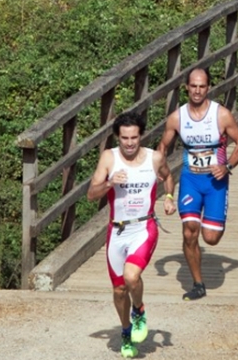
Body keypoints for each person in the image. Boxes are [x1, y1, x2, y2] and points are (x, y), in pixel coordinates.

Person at [87, 112, 175, 358]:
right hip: (116, 230)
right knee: (118, 290)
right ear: (118, 137)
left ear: (141, 136)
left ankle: (139, 311)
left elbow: (168, 176)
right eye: (124, 138)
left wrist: (169, 198)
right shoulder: (109, 158)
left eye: (134, 137)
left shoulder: (154, 158)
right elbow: (91, 194)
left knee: (131, 276)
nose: (129, 143)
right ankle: (126, 332)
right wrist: (109, 183)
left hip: (143, 227)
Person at [156, 68, 238, 302]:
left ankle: (216, 219)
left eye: (202, 86)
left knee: (211, 238)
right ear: (187, 87)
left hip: (216, 182)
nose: (197, 91)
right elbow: (163, 146)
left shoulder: (221, 115)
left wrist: (227, 166)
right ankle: (198, 284)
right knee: (189, 233)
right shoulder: (177, 117)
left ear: (208, 88)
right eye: (193, 86)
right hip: (190, 181)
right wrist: (160, 169)